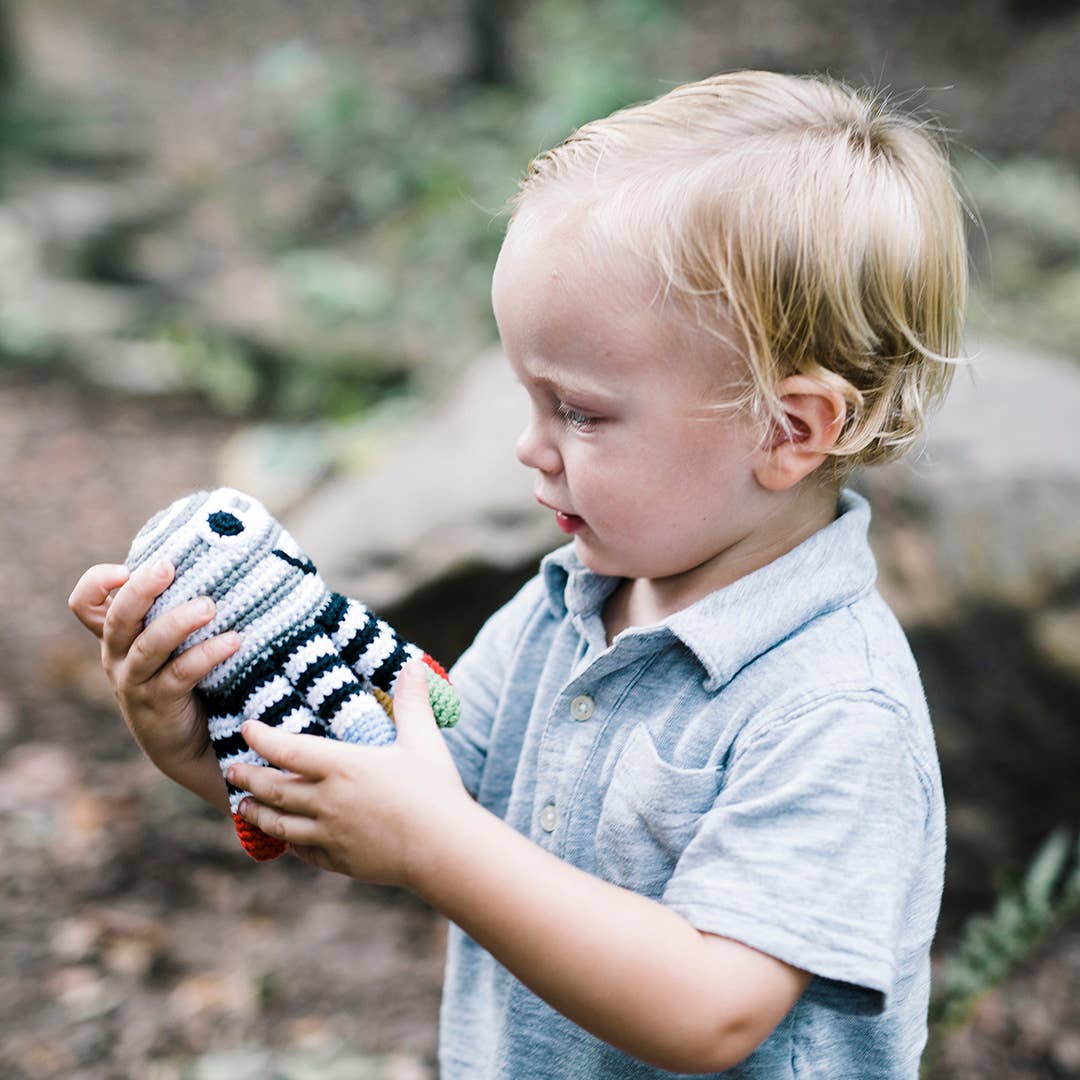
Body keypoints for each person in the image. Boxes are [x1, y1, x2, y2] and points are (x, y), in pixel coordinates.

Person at [69, 70, 967, 1078]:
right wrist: (206, 742)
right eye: (527, 398)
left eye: (578, 410)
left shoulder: (835, 712)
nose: (529, 448)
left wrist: (438, 849)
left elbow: (710, 1009)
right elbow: (403, 792)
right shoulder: (568, 607)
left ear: (788, 428)